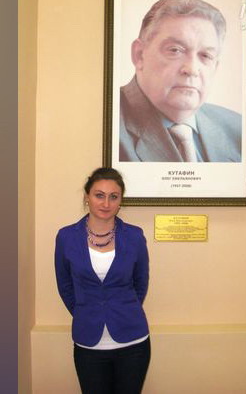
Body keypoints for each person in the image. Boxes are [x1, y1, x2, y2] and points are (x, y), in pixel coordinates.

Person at [55, 167, 150, 394]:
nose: (106, 203)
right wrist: (85, 311)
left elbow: (141, 282)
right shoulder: (66, 237)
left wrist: (124, 308)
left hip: (133, 343)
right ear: (87, 197)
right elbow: (65, 285)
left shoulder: (134, 236)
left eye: (113, 197)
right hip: (88, 343)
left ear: (120, 201)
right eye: (99, 195)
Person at [119, 0, 242, 163]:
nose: (191, 69)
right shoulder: (105, 123)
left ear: (215, 66)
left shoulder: (239, 129)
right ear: (139, 55)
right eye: (175, 50)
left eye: (206, 55)